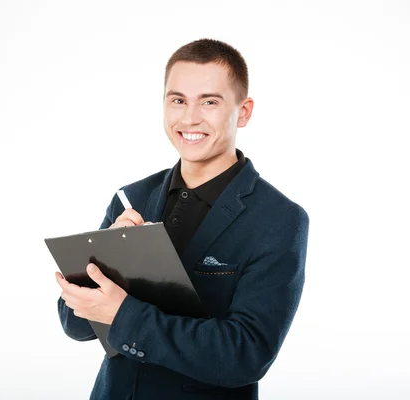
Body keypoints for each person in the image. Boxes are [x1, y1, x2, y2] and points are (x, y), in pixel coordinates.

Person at [55, 38, 309, 400]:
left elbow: (246, 355)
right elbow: (75, 325)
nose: (189, 118)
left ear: (244, 111)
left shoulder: (280, 219)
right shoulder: (132, 197)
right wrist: (101, 261)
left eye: (209, 101)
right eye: (178, 100)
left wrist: (126, 314)